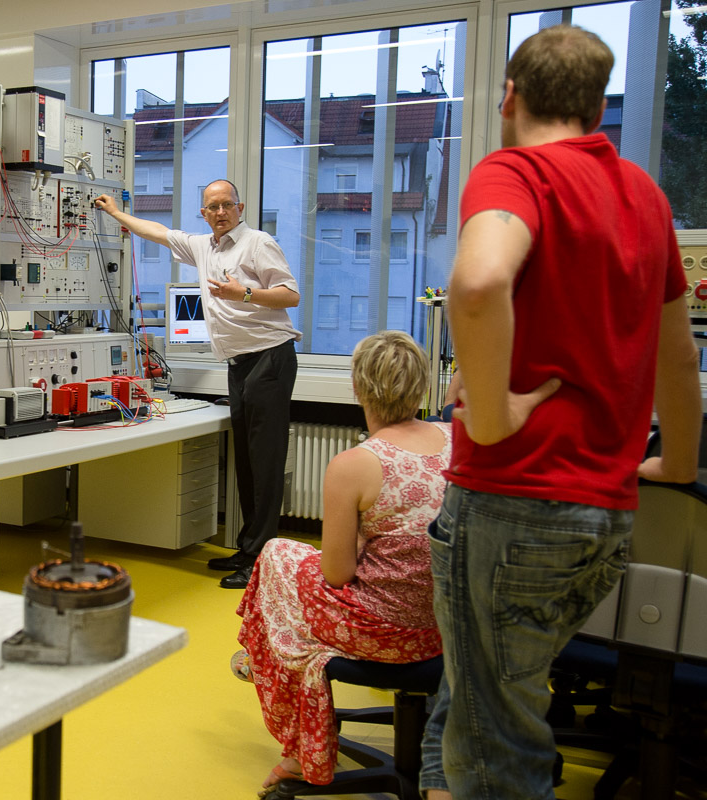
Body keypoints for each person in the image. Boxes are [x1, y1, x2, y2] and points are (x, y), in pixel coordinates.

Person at [419, 25, 702, 800]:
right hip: (604, 513)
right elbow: (678, 356)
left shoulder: (516, 174)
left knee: (500, 755)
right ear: (599, 105)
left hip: (515, 503)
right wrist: (677, 462)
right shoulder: (644, 197)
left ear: (509, 98)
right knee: (474, 700)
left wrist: (496, 417)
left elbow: (477, 284)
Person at [234, 331, 449, 796]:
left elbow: (337, 574)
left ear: (359, 388)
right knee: (286, 573)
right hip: (445, 628)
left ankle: (292, 730)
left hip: (387, 634)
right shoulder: (454, 442)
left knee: (274, 559)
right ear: (423, 385)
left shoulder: (356, 464)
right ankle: (262, 656)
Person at [95, 180, 301, 589]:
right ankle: (248, 549)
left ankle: (261, 561)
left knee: (265, 464)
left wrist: (244, 294)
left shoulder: (257, 242)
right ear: (203, 214)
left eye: (227, 205)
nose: (221, 211)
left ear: (239, 208)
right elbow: (157, 231)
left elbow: (290, 295)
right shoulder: (203, 246)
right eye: (212, 207)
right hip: (240, 364)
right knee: (245, 460)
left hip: (270, 359)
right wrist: (117, 214)